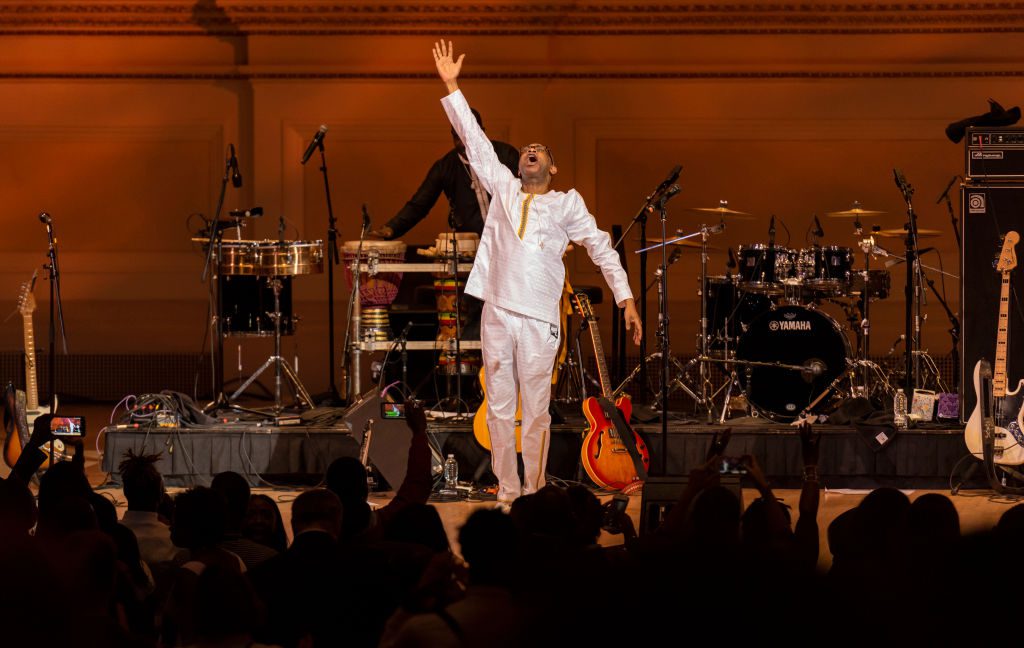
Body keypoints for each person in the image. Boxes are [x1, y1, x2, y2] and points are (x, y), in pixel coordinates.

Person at [432, 40, 642, 505]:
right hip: (497, 312)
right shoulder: (504, 189)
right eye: (526, 149)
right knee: (501, 410)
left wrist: (625, 298)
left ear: (552, 167)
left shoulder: (565, 204)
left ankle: (534, 491)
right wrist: (452, 85)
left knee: (538, 412)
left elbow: (600, 247)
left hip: (538, 320)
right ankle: (508, 492)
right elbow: (475, 141)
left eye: (539, 150)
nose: (530, 151)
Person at [368, 110, 519, 241]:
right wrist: (392, 228)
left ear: (482, 132)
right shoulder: (445, 167)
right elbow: (419, 205)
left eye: (469, 136)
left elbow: (527, 197)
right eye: (457, 137)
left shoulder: (506, 155)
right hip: (470, 250)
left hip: (509, 242)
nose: (463, 143)